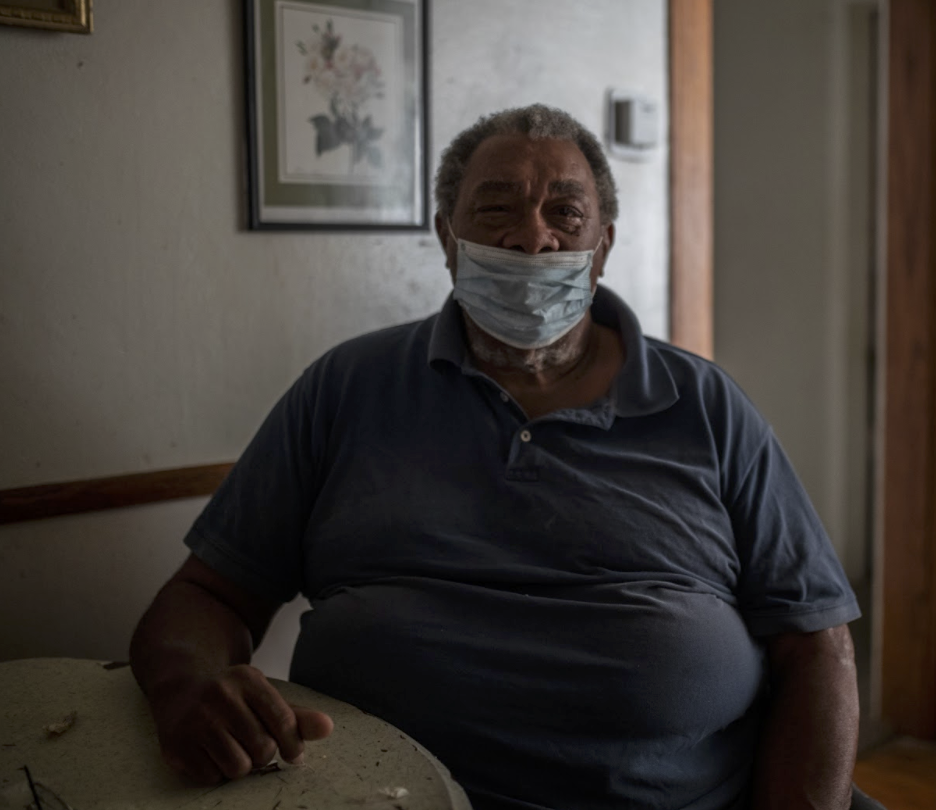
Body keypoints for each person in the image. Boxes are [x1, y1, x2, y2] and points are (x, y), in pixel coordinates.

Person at [130, 104, 881, 810]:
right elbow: (208, 597)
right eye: (495, 209)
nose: (533, 238)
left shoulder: (707, 407)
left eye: (565, 212)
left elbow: (816, 644)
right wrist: (189, 687)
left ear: (603, 246)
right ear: (446, 239)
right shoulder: (347, 388)